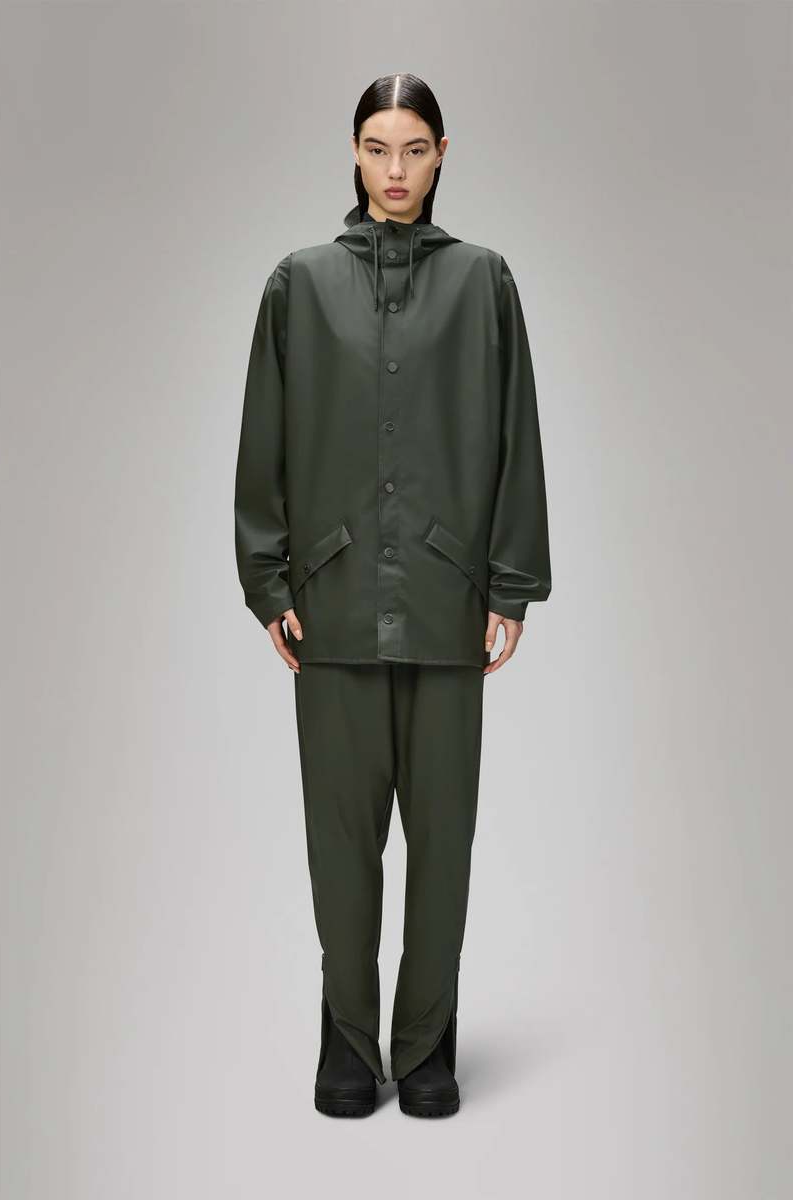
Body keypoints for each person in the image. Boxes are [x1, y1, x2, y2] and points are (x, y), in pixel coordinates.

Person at [234, 72, 551, 1118]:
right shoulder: (298, 284)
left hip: (448, 599)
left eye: (415, 148)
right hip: (328, 600)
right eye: (377, 148)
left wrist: (510, 581)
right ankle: (345, 1034)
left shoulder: (484, 282)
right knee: (341, 844)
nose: (396, 170)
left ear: (443, 153)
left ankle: (425, 1043)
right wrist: (267, 579)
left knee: (442, 842)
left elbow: (516, 435)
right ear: (354, 153)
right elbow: (263, 442)